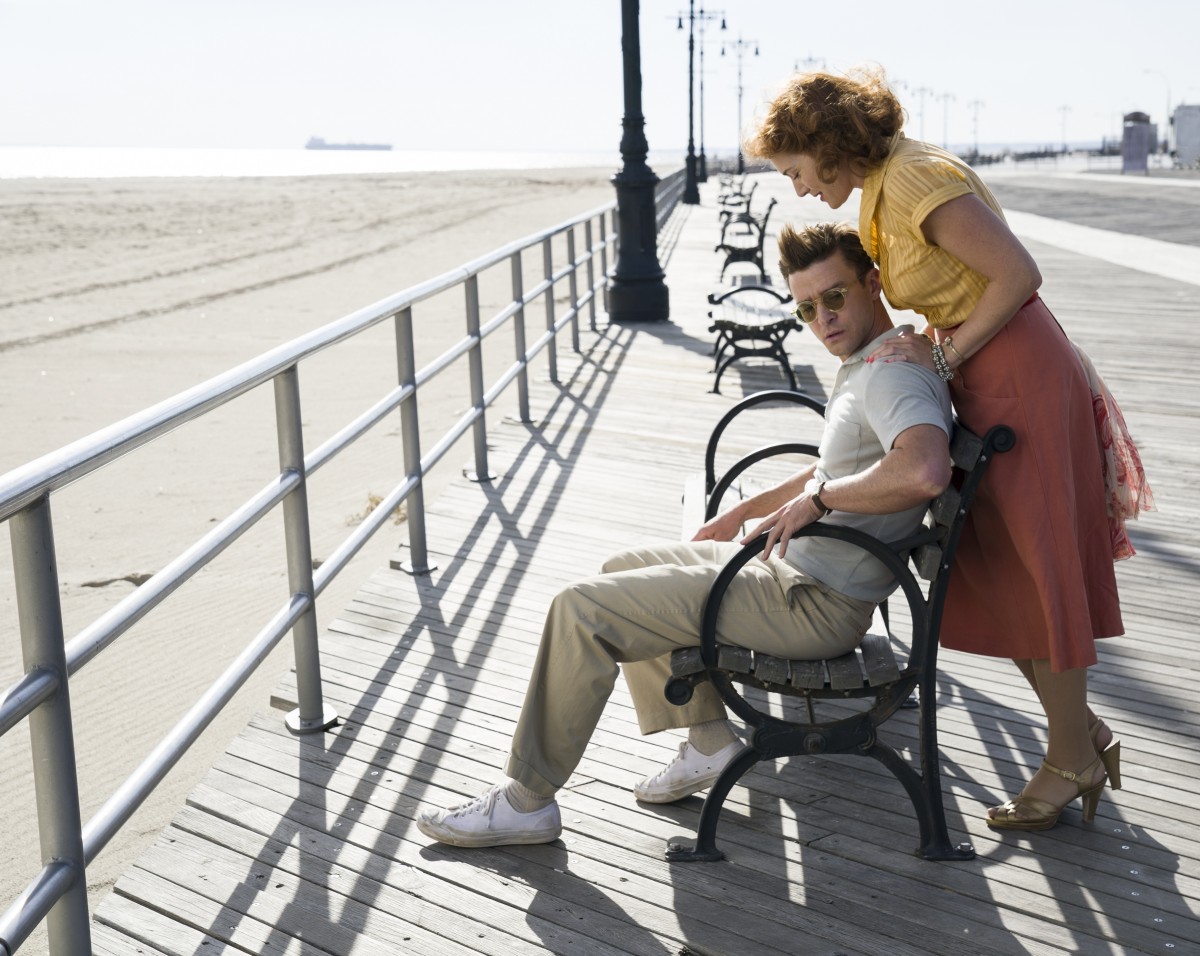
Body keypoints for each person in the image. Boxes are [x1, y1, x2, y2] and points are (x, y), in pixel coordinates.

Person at [416, 222, 954, 848]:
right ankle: (708, 743)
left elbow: (923, 469)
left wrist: (820, 501)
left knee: (579, 609)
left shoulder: (891, 374)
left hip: (814, 603)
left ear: (872, 284)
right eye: (807, 308)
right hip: (793, 573)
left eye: (834, 297)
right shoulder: (870, 361)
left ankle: (525, 801)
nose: (823, 319)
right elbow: (832, 469)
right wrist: (741, 512)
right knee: (621, 568)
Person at [745, 69, 1154, 831]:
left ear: (825, 146)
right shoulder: (883, 188)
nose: (797, 188)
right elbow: (951, 289)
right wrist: (935, 351)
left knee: (1040, 570)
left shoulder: (911, 180)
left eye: (795, 170)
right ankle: (1081, 737)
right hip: (988, 377)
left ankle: (1070, 759)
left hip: (1019, 376)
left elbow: (1017, 275)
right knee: (1006, 571)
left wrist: (941, 356)